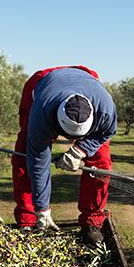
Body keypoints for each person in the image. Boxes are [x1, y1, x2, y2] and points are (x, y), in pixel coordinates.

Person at [12, 65, 118, 245]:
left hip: (86, 81)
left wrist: (81, 150)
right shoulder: (41, 112)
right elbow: (39, 163)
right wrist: (42, 209)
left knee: (100, 163)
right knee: (25, 155)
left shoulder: (105, 109)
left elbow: (107, 132)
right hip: (42, 84)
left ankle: (92, 221)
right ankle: (28, 220)